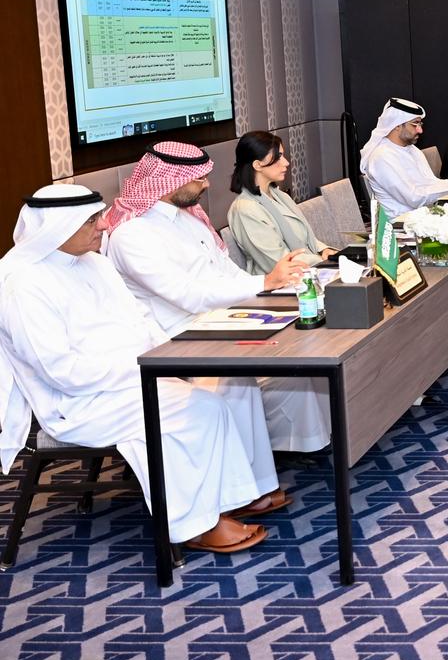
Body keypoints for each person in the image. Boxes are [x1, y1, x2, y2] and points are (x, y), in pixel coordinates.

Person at [0, 185, 284, 555]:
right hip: (77, 402)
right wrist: (145, 366)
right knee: (198, 410)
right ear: (57, 227)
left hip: (132, 378)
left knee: (217, 393)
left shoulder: (95, 263)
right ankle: (194, 525)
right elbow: (61, 372)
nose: (104, 225)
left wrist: (167, 355)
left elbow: (141, 319)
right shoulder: (23, 284)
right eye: (91, 220)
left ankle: (224, 504)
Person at [103, 142, 332, 453]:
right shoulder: (131, 236)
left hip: (224, 318)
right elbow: (188, 296)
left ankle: (305, 444)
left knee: (305, 348)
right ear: (172, 182)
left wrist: (273, 285)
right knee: (244, 379)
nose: (207, 185)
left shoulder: (188, 218)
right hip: (181, 339)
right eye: (199, 179)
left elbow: (228, 273)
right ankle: (249, 464)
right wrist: (265, 282)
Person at [226, 132, 338, 276]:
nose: (286, 162)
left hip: (309, 271)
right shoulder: (245, 209)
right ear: (258, 165)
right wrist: (324, 261)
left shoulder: (280, 196)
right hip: (283, 283)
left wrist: (323, 251)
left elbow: (307, 239)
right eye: (278, 157)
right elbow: (278, 261)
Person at [360, 98, 448, 216]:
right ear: (397, 125)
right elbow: (414, 198)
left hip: (423, 214)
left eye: (420, 124)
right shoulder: (381, 157)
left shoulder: (412, 149)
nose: (420, 130)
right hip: (400, 223)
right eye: (415, 124)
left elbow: (430, 184)